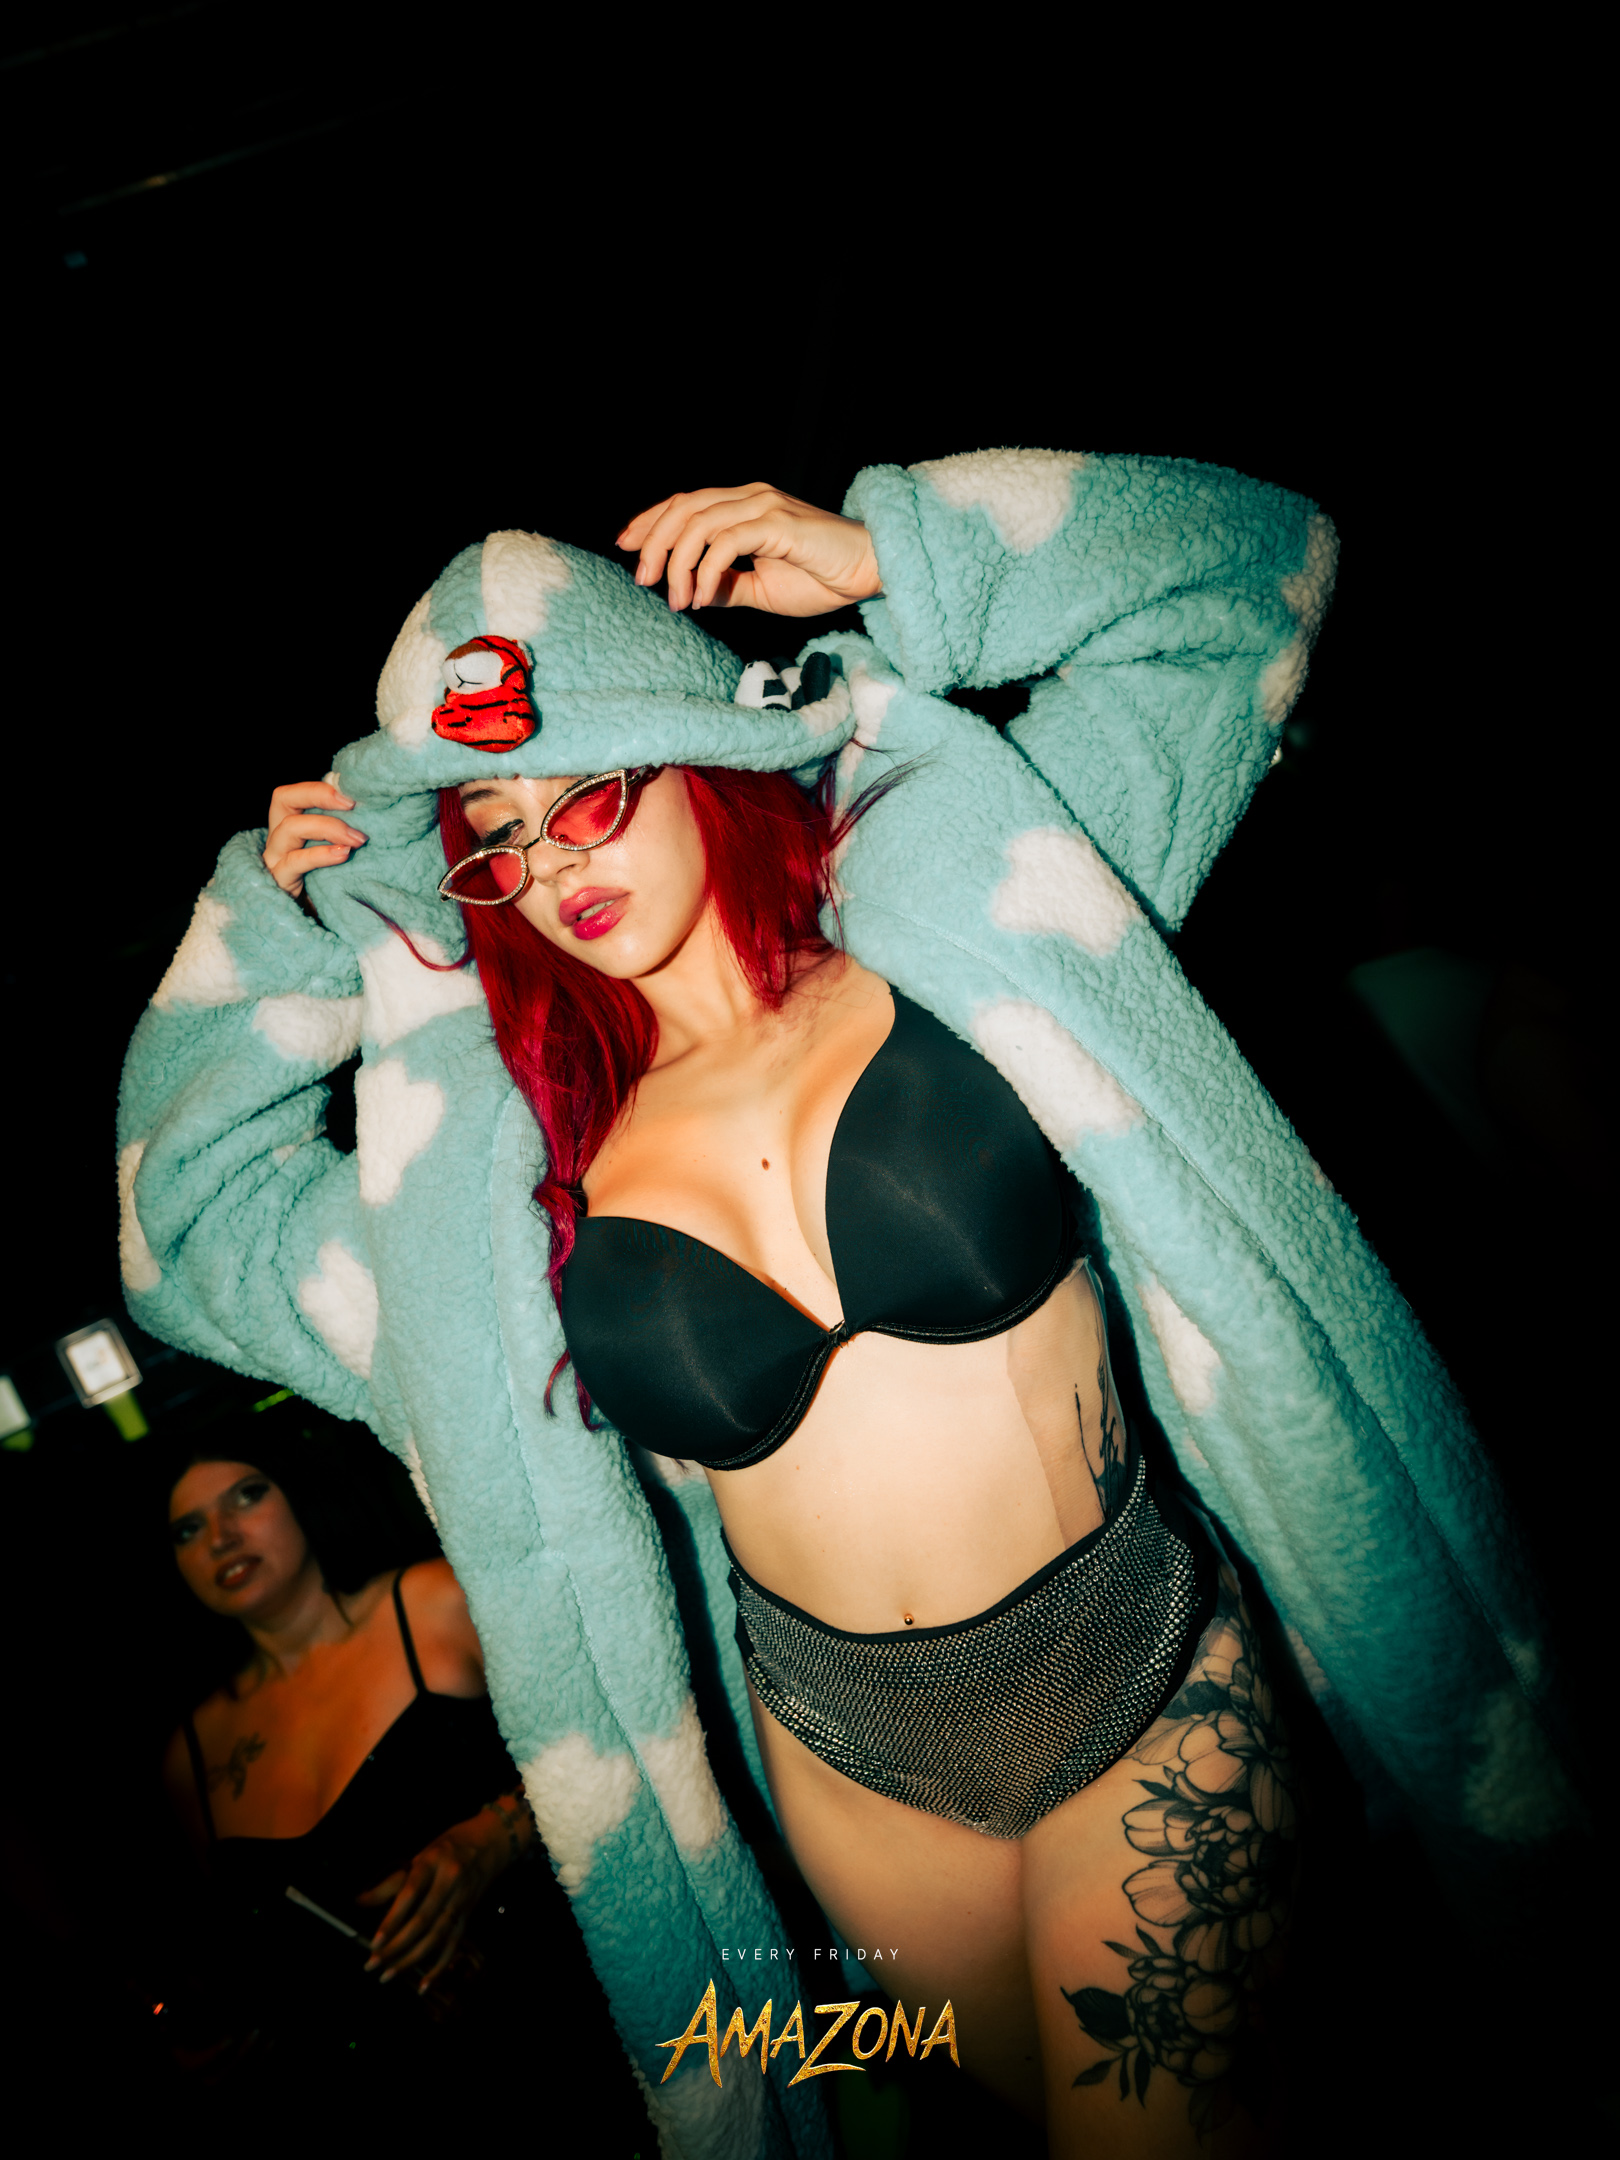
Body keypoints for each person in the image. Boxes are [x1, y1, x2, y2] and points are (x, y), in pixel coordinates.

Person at [119, 459, 1582, 2159]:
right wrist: (276, 934)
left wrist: (902, 558)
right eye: (496, 835)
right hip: (849, 1782)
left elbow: (1251, 581)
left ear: (692, 742)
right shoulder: (500, 1197)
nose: (550, 860)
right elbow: (182, 1227)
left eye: (586, 792)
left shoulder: (975, 905)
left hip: (1133, 1670)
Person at [156, 1437, 653, 2142]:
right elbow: (232, 1955)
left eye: (247, 1495)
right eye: (188, 1529)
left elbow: (627, 1736)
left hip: (581, 2033)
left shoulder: (434, 1604)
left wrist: (494, 1838)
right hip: (385, 2102)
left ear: (301, 1493)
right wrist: (219, 2038)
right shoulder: (192, 1755)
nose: (221, 1537)